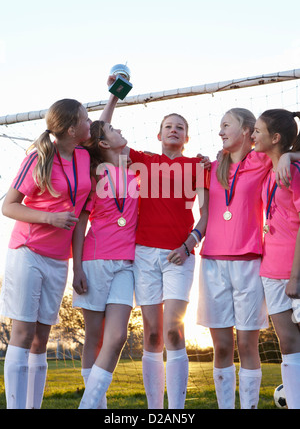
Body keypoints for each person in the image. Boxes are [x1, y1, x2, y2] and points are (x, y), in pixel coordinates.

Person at [91, 87, 210, 409]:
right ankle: (155, 410)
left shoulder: (199, 167)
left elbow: (207, 214)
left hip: (179, 255)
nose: (174, 129)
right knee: (153, 336)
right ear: (159, 134)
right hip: (143, 254)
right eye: (169, 125)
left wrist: (189, 244)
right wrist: (113, 97)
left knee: (173, 332)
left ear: (186, 138)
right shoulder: (141, 161)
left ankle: (177, 410)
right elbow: (100, 135)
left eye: (180, 127)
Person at [197, 107, 299, 409]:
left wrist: (288, 156)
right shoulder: (209, 167)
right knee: (222, 346)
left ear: (246, 131)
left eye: (226, 125)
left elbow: (287, 152)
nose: (220, 131)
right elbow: (201, 213)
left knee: (247, 344)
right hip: (213, 262)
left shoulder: (265, 162)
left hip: (252, 263)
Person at [0, 98, 92, 409]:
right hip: (28, 252)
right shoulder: (39, 158)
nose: (90, 123)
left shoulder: (83, 156)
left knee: (42, 340)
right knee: (23, 334)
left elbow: (80, 218)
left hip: (58, 260)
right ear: (71, 128)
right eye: (85, 119)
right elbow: (8, 206)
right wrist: (48, 218)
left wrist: (78, 267)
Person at [72, 113, 139, 409]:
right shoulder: (92, 177)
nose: (119, 128)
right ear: (102, 142)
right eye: (113, 128)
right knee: (95, 339)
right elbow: (79, 224)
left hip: (126, 265)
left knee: (118, 336)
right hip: (94, 262)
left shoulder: (138, 174)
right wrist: (77, 268)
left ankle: (86, 405)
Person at [252, 108, 300, 409]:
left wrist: (295, 276)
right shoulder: (269, 168)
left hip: (295, 272)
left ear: (276, 137)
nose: (252, 135)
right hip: (270, 271)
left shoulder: (292, 171)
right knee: (286, 342)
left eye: (257, 130)